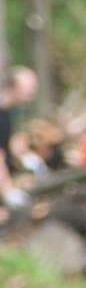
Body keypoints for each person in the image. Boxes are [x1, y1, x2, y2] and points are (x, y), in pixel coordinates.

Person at [0, 67, 38, 208]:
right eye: (29, 88)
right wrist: (7, 189)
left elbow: (9, 142)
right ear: (13, 86)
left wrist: (25, 156)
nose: (32, 93)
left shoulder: (10, 111)